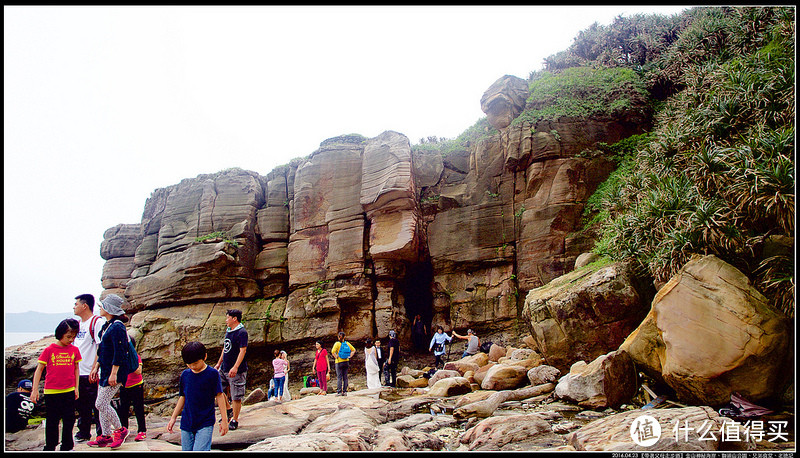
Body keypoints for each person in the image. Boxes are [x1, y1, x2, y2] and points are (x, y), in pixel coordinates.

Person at [87, 294, 133, 449]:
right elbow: (103, 351)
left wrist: (114, 373)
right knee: (102, 403)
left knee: (100, 403)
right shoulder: (107, 325)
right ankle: (106, 435)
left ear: (109, 309)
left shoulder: (118, 326)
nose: (99, 308)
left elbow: (120, 351)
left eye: (102, 306)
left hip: (115, 372)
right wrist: (96, 367)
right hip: (105, 371)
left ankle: (120, 430)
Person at [31, 318, 81, 451]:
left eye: (73, 337)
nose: (71, 339)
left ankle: (67, 446)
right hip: (52, 392)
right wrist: (34, 390)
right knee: (52, 421)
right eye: (68, 336)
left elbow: (76, 368)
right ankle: (50, 446)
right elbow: (39, 369)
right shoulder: (49, 350)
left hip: (69, 391)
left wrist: (76, 387)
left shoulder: (74, 350)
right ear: (60, 334)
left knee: (69, 419)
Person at [167, 341, 229, 451]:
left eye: (195, 363)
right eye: (189, 364)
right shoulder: (185, 375)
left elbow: (219, 395)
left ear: (205, 356)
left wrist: (224, 420)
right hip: (187, 422)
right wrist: (173, 417)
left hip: (205, 421)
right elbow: (182, 397)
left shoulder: (212, 374)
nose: (192, 366)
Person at [72, 293, 106, 443]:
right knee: (82, 406)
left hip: (92, 373)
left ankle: (102, 434)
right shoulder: (78, 324)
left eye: (76, 304)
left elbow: (101, 347)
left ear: (84, 305)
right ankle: (84, 432)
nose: (74, 307)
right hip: (78, 373)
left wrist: (94, 368)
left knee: (97, 405)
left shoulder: (96, 322)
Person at [214, 309, 247, 431]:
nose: (226, 320)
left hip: (236, 370)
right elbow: (225, 348)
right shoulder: (229, 331)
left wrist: (236, 367)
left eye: (228, 318)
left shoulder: (242, 332)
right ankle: (228, 410)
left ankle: (235, 419)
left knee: (236, 395)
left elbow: (242, 350)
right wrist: (219, 363)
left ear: (234, 319)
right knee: (217, 390)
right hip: (224, 368)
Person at [119, 335, 147, 441]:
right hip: (124, 386)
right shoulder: (119, 357)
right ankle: (124, 430)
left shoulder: (135, 356)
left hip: (137, 385)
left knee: (138, 408)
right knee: (123, 410)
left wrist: (128, 362)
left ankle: (142, 431)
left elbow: (138, 371)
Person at [331, 332, 355, 396]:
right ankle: (344, 391)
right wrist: (349, 356)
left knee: (339, 377)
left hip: (339, 362)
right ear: (344, 337)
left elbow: (333, 351)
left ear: (338, 337)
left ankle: (339, 392)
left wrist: (336, 357)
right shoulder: (347, 343)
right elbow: (353, 350)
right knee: (345, 377)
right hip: (346, 361)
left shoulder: (337, 344)